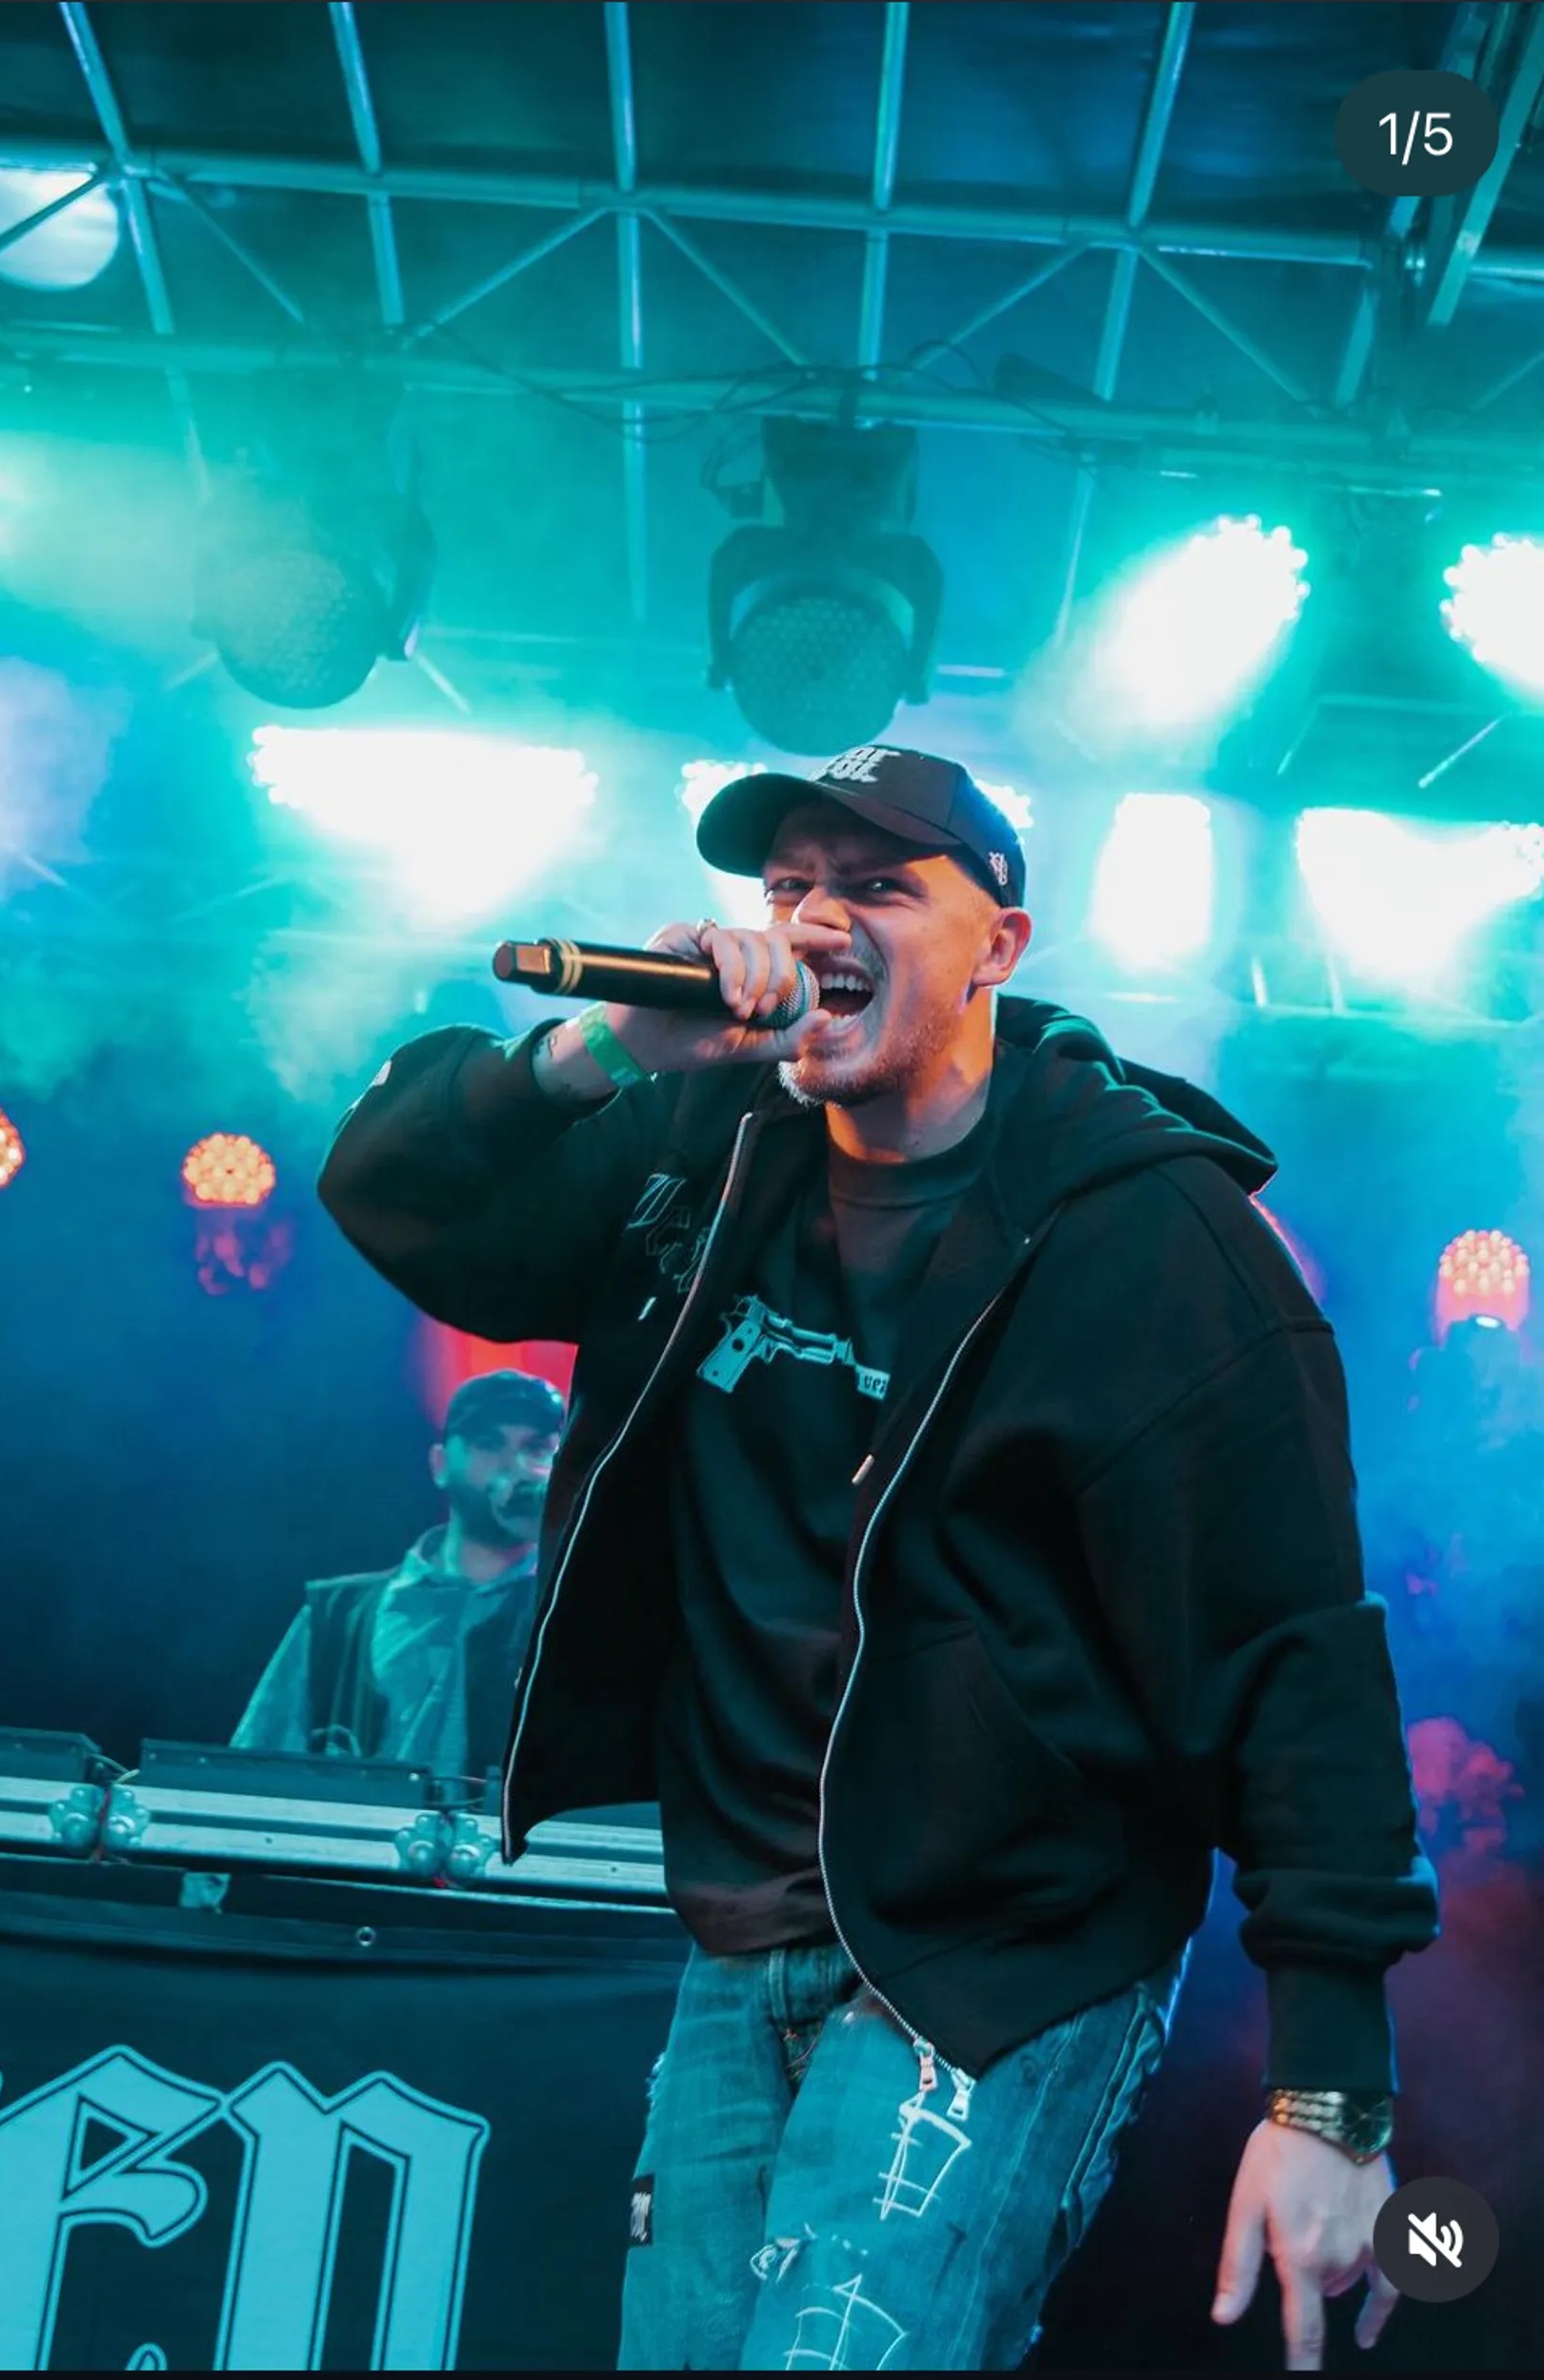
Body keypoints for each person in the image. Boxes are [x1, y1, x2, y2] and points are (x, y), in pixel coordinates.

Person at [318, 744, 1440, 2372]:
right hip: (742, 1926)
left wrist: (1330, 2091)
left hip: (1004, 1945)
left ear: (999, 944)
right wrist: (603, 1045)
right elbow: (392, 1191)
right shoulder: (701, 1142)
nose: (814, 918)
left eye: (878, 887)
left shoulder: (1146, 1236)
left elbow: (1294, 1648)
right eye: (788, 885)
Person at [231, 1368, 563, 1781]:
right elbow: (253, 1770)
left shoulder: (572, 1613)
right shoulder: (341, 1613)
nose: (514, 1465)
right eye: (489, 1443)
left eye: (536, 1448)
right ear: (440, 1464)